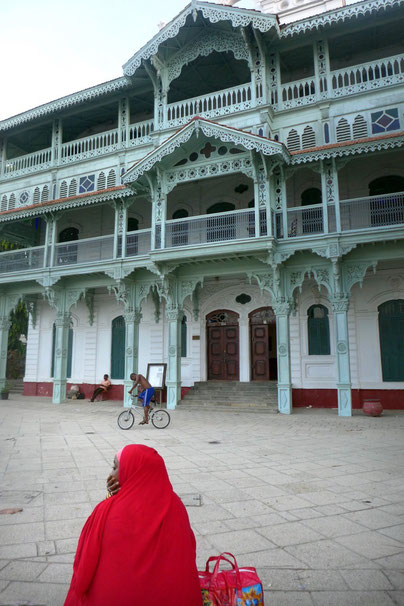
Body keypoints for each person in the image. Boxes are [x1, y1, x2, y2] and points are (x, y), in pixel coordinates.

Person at [64, 444, 202, 606]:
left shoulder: (106, 511)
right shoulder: (175, 505)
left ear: (132, 472)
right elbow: (188, 552)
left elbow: (85, 563)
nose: (111, 474)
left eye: (115, 467)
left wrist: (111, 498)